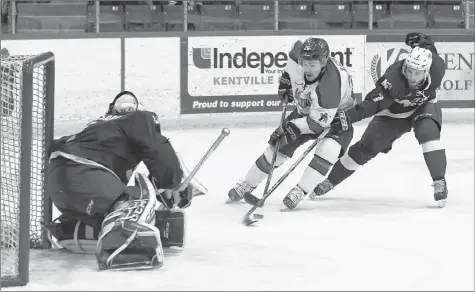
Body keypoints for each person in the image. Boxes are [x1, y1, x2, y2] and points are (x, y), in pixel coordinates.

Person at [46, 91, 206, 270]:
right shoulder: (137, 118)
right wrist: (172, 182)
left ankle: (71, 230)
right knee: (133, 201)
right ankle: (123, 248)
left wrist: (160, 185)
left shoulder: (102, 133)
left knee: (112, 207)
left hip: (60, 185)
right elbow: (157, 150)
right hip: (84, 170)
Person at [312, 32, 448, 207]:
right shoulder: (393, 80)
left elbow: (429, 48)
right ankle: (330, 181)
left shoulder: (437, 67)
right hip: (393, 114)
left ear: (427, 70)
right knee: (366, 147)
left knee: (428, 133)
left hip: (424, 105)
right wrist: (345, 117)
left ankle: (439, 181)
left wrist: (424, 40)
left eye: (418, 73)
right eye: (410, 71)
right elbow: (370, 105)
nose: (413, 77)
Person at [227, 37, 356, 210]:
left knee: (328, 150)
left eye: (313, 65)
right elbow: (291, 69)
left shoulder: (330, 85)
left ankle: (300, 190)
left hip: (338, 118)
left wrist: (293, 127)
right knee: (277, 148)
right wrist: (285, 81)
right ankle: (248, 184)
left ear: (324, 62)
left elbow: (316, 125)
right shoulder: (298, 55)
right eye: (305, 63)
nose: (307, 69)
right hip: (309, 110)